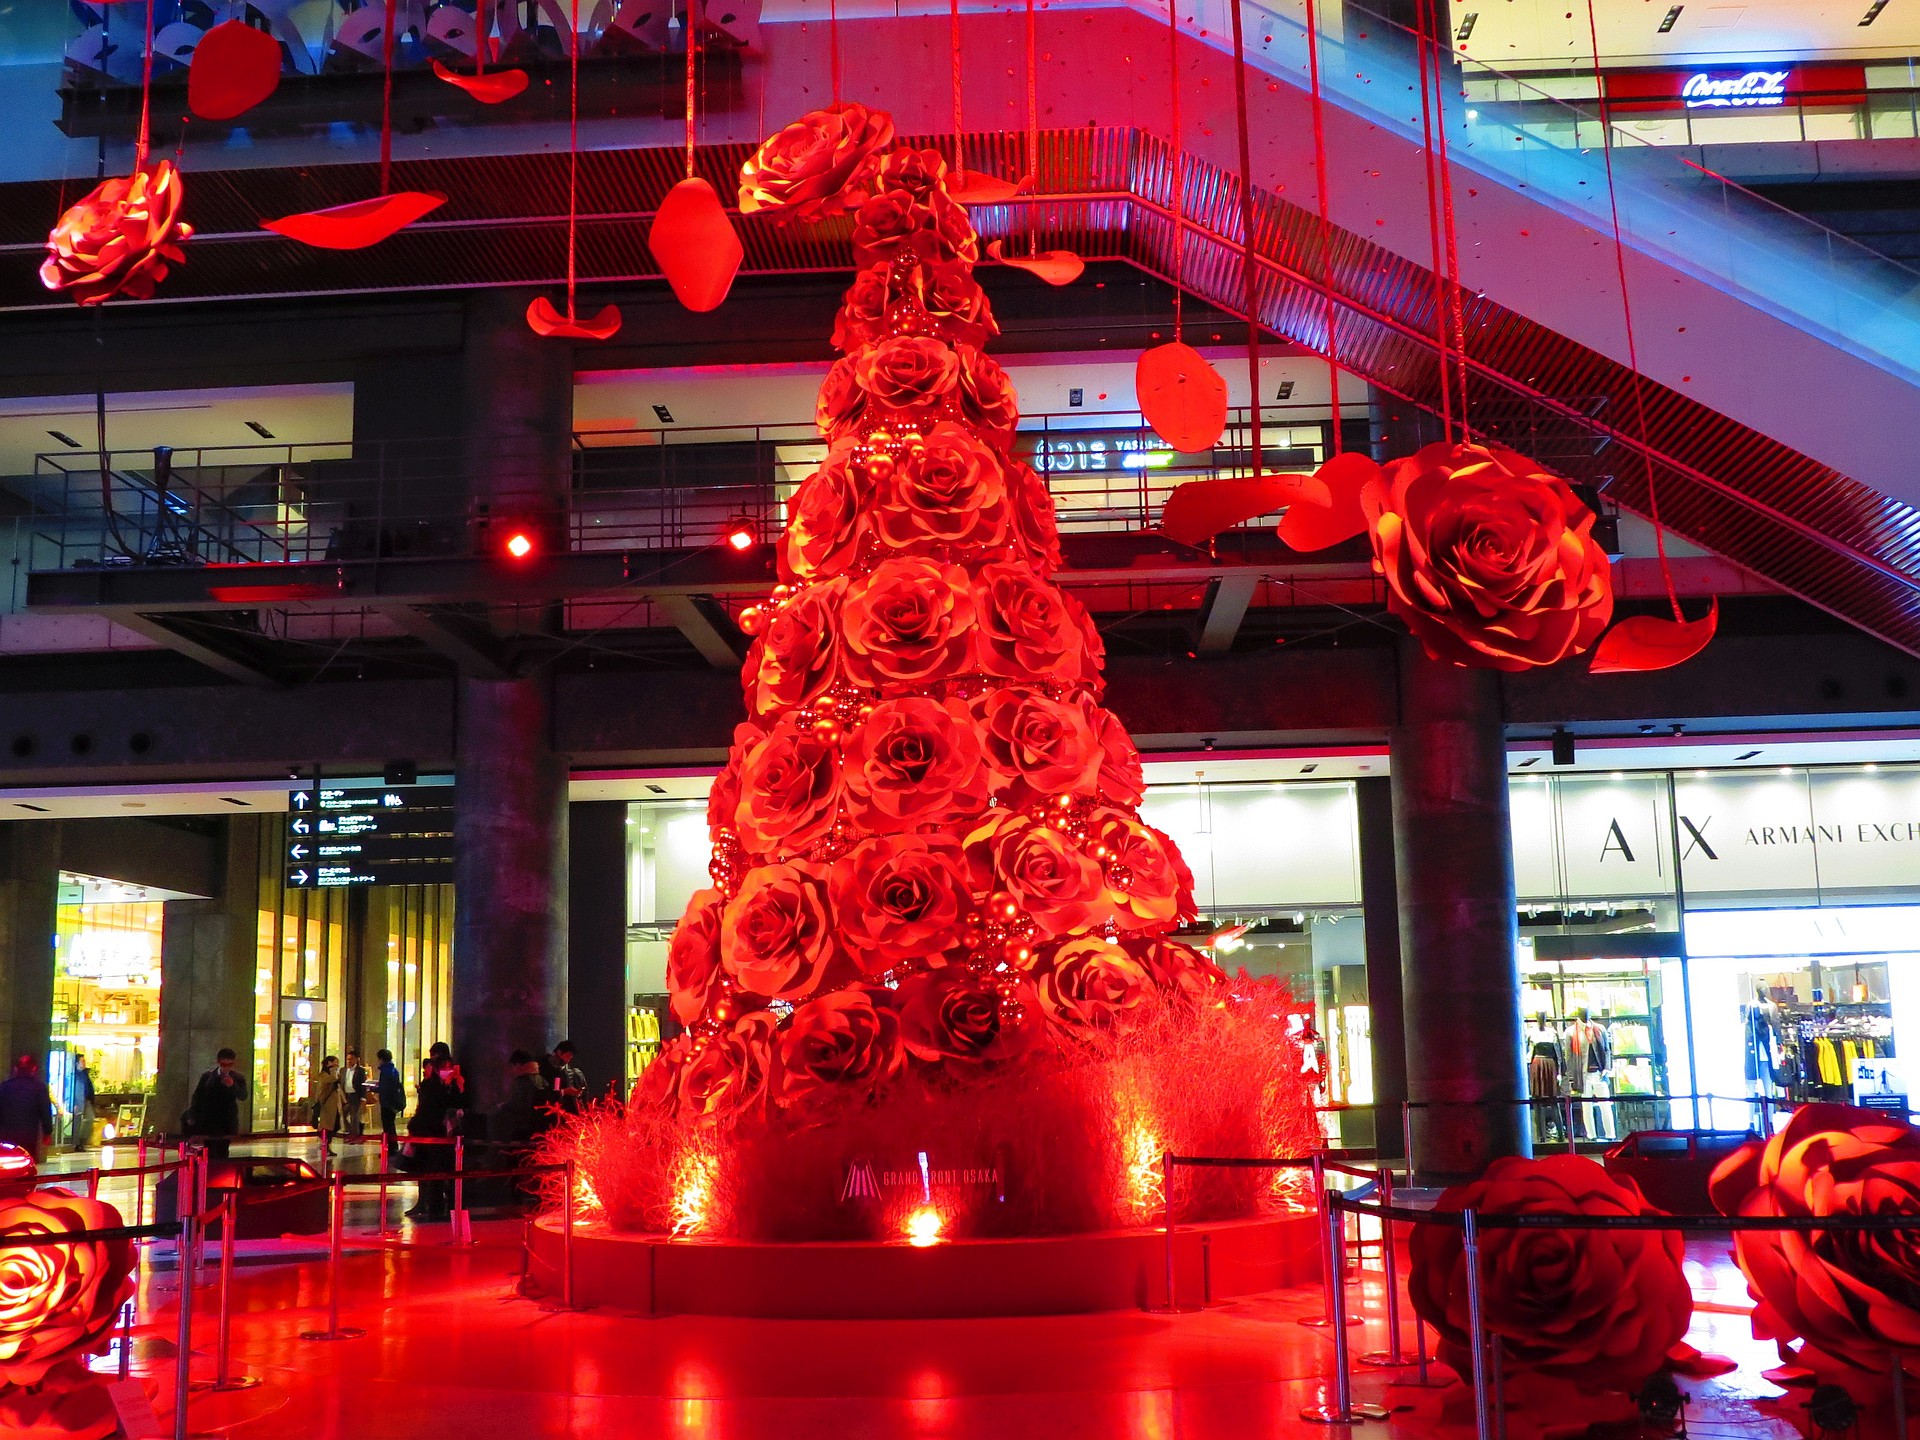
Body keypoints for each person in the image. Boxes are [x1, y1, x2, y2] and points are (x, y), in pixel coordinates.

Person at [405, 1050, 466, 1222]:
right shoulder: (431, 1085)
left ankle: (443, 1206)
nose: (448, 1071)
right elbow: (430, 1108)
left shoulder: (453, 1085)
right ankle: (433, 1207)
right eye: (444, 1068)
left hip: (446, 1137)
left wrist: (458, 1088)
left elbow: (459, 1104)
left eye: (450, 1067)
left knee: (444, 1172)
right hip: (429, 1135)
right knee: (430, 1172)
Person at [186, 1048, 247, 1161]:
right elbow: (197, 1097)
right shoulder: (207, 1077)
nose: (226, 1067)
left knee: (223, 1151)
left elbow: (243, 1096)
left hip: (227, 1122)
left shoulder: (237, 1078)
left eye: (230, 1064)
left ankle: (220, 1173)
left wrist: (233, 1086)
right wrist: (193, 1115)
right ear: (219, 1062)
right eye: (224, 1064)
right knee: (208, 1151)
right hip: (209, 1121)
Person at [0, 1056, 54, 1162]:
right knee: (27, 1160)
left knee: (7, 1161)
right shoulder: (39, 1087)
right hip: (29, 1134)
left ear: (16, 1069)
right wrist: (47, 1132)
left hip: (7, 1133)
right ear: (34, 1069)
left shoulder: (5, 1087)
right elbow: (45, 1111)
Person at [496, 1050, 551, 1146]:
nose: (511, 1071)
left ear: (517, 1065)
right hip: (542, 1128)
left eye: (511, 1067)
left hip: (523, 1128)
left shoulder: (521, 1081)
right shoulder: (541, 1079)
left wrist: (503, 1106)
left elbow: (518, 1105)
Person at [311, 1055, 344, 1152]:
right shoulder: (324, 1075)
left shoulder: (330, 1074)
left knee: (335, 1125)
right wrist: (334, 1070)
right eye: (335, 1062)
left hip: (334, 1104)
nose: (337, 1065)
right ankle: (325, 1145)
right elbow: (332, 1079)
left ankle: (326, 1144)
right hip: (327, 1105)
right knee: (328, 1126)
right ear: (328, 1063)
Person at [68, 1052, 97, 1153]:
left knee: (89, 1119)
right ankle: (77, 1143)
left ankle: (82, 1142)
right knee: (77, 1122)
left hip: (85, 1100)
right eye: (82, 1061)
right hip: (78, 1101)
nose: (84, 1063)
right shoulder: (74, 1076)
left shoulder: (84, 1074)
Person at [549, 1040, 586, 1116]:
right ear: (559, 1052)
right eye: (568, 1056)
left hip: (567, 1114)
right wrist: (564, 1091)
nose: (569, 1059)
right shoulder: (547, 1069)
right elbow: (548, 1093)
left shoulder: (565, 1071)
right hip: (555, 1114)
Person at [375, 1049, 404, 1145]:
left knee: (387, 1126)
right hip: (393, 1102)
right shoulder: (394, 1070)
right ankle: (393, 1146)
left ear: (381, 1059)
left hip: (386, 1103)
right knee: (391, 1125)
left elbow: (384, 1088)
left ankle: (390, 1148)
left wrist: (373, 1089)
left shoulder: (385, 1071)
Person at [342, 1049, 369, 1137]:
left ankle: (355, 1135)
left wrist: (363, 1098)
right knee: (343, 1115)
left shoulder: (360, 1071)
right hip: (345, 1096)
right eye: (348, 1059)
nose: (349, 1061)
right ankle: (350, 1131)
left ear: (356, 1059)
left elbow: (363, 1085)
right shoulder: (343, 1070)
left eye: (351, 1059)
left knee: (354, 1117)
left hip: (355, 1096)